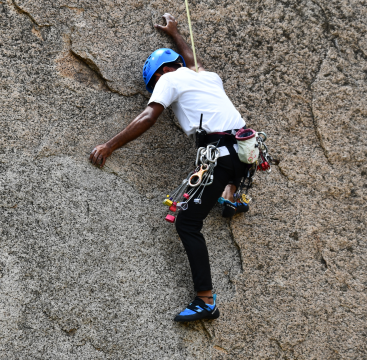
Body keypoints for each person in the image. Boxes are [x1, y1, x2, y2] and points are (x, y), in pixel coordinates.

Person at [89, 13, 249, 322]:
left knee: (187, 224)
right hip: (245, 153)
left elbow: (148, 117)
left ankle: (205, 300)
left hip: (221, 156)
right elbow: (191, 61)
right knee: (224, 165)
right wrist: (176, 34)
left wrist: (109, 146)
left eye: (154, 84)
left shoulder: (169, 80)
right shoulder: (206, 76)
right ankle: (232, 196)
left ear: (160, 73)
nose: (156, 89)